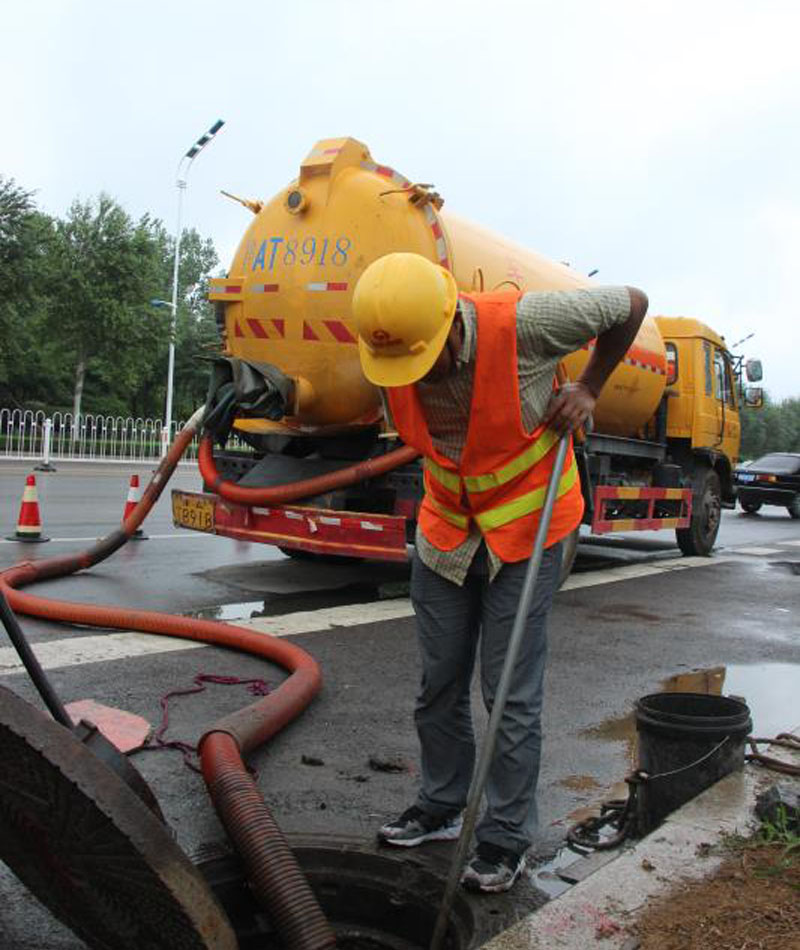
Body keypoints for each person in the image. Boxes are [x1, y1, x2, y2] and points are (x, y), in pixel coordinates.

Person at [352, 252, 648, 893]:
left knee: (508, 691)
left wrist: (590, 386)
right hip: (448, 532)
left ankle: (505, 837)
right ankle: (439, 805)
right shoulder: (390, 347)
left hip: (528, 526)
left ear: (450, 324)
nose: (417, 375)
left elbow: (631, 303)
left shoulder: (527, 324)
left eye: (426, 359)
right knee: (439, 682)